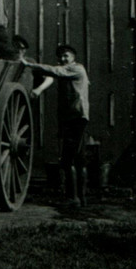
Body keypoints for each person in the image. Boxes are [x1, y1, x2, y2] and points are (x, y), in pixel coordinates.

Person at [21, 44, 90, 207]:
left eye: (66, 56)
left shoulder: (77, 69)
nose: (63, 59)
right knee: (78, 159)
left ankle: (74, 198)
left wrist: (30, 65)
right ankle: (81, 198)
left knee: (68, 160)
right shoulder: (71, 71)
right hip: (72, 118)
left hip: (76, 118)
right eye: (61, 56)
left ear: (73, 57)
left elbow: (55, 71)